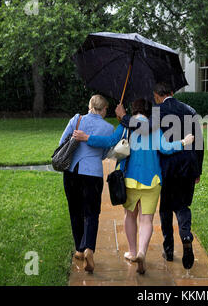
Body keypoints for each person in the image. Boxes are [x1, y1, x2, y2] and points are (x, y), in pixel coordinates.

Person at [73, 98, 194, 274]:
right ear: (148, 111)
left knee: (130, 216)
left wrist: (87, 137)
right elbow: (166, 148)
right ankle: (142, 253)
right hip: (152, 181)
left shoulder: (125, 126)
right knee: (146, 219)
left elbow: (109, 142)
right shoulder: (154, 127)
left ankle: (131, 251)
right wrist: (183, 142)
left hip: (129, 179)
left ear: (133, 109)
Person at [115, 82, 204, 270]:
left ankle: (169, 249)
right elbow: (200, 143)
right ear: (172, 92)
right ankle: (186, 235)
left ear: (156, 95)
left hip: (167, 165)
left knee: (165, 207)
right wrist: (198, 170)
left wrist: (123, 117)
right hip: (188, 165)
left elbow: (142, 128)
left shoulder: (156, 112)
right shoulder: (190, 110)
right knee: (182, 205)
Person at [59, 94, 114, 273]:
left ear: (90, 106)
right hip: (93, 174)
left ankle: (79, 249)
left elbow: (62, 143)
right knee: (92, 213)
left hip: (72, 172)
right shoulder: (108, 128)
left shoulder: (76, 119)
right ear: (104, 109)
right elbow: (105, 152)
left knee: (75, 211)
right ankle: (89, 247)